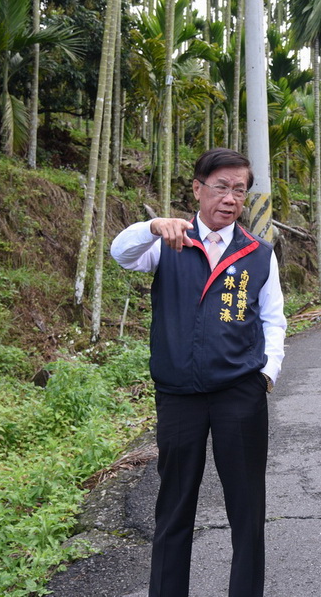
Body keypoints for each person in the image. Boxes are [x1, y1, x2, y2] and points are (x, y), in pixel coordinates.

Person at [111, 148, 287, 597]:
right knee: (174, 507)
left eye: (240, 190)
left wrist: (266, 374)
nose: (230, 198)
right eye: (221, 186)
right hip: (179, 396)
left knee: (246, 508)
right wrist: (152, 225)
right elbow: (120, 253)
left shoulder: (258, 253)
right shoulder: (167, 242)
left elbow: (273, 320)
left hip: (239, 396)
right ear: (198, 188)